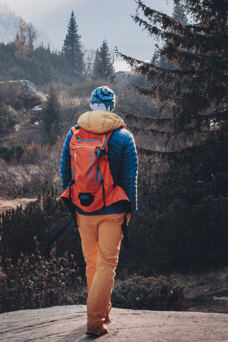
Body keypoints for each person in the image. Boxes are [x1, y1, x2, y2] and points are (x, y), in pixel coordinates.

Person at [59, 86, 138, 336]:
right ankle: (95, 323)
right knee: (106, 266)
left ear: (91, 104)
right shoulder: (123, 136)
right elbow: (130, 177)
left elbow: (65, 171)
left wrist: (73, 204)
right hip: (113, 210)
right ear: (111, 107)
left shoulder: (73, 133)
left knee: (92, 263)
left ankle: (103, 310)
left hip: (83, 210)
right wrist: (130, 210)